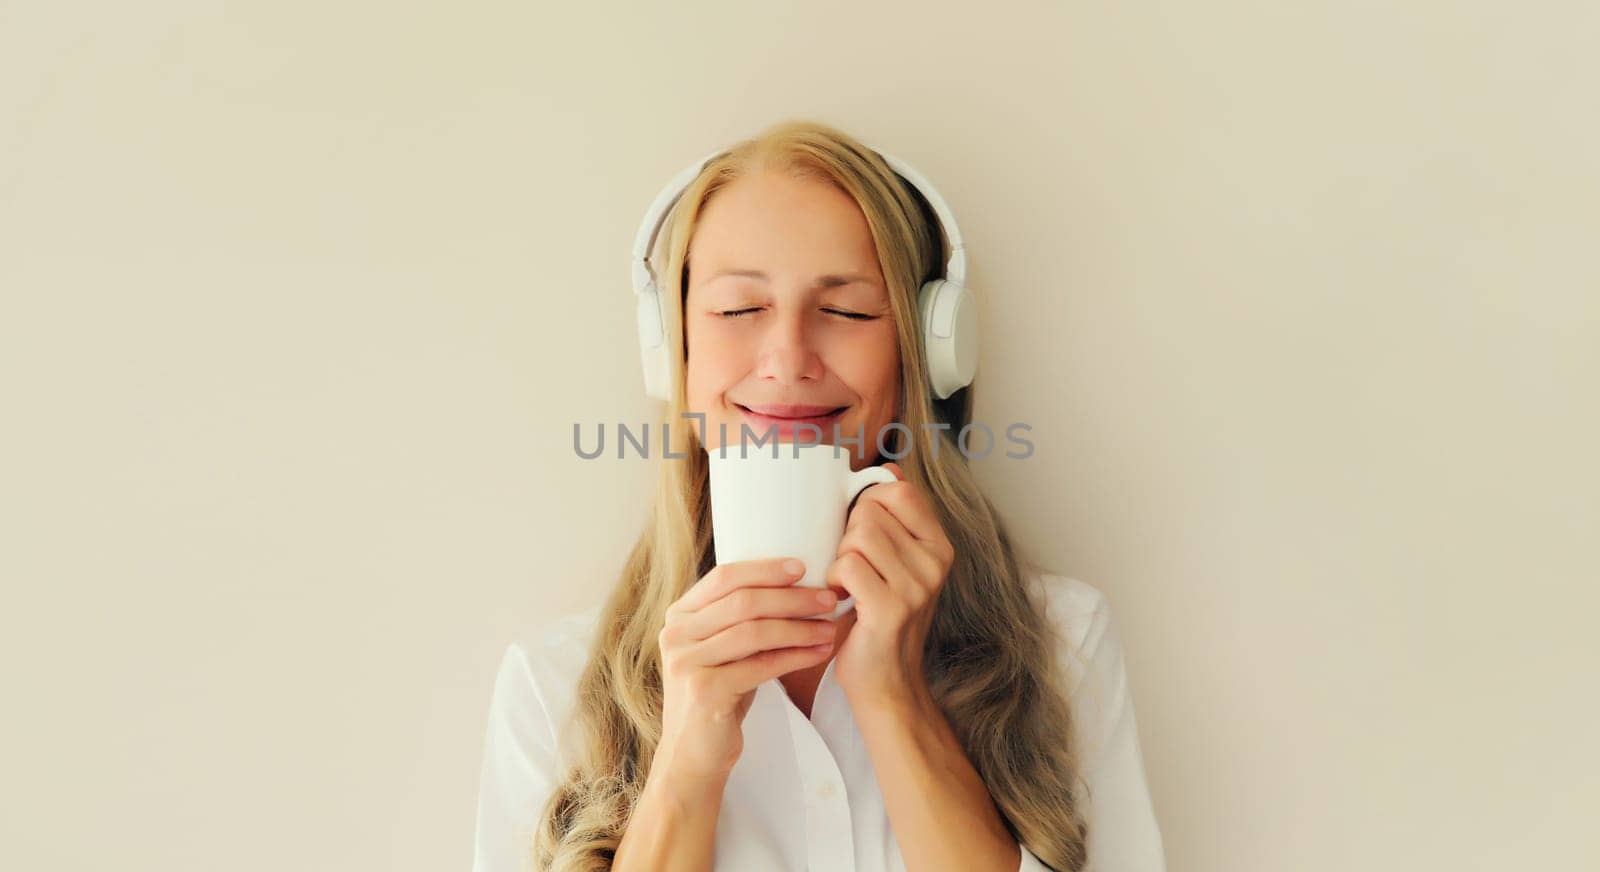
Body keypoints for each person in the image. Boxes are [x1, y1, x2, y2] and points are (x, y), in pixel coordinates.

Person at [471, 119, 1167, 871]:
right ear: (670, 351)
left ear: (925, 353)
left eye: (848, 312)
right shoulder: (552, 685)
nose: (788, 359)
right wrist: (685, 761)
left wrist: (893, 695)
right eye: (739, 311)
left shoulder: (1063, 643)